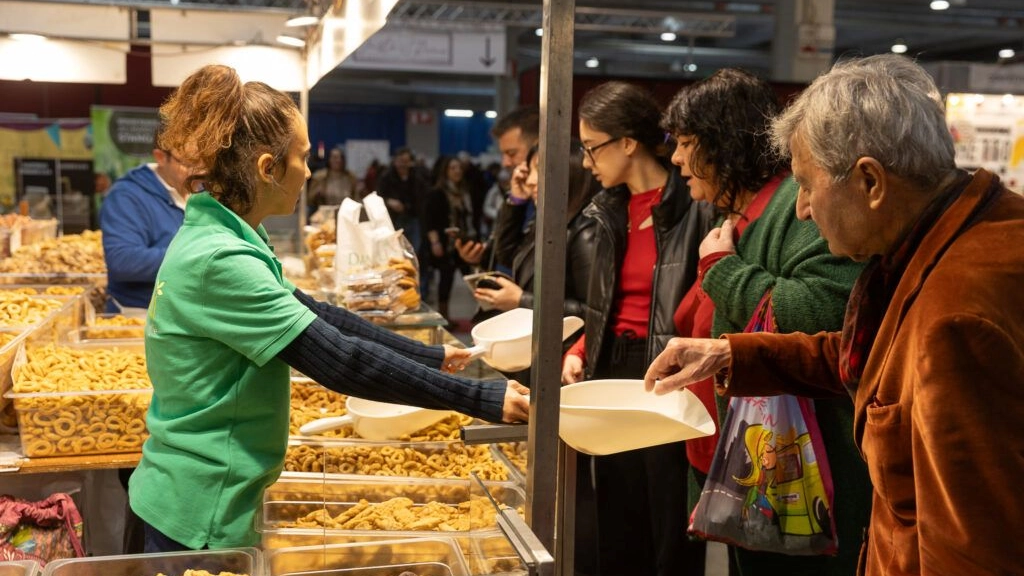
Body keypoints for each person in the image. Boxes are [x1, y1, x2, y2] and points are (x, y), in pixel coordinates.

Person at [645, 54, 1024, 576]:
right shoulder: (955, 236)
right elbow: (870, 357)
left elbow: (971, 549)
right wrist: (731, 351)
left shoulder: (955, 317)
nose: (801, 209)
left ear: (870, 182)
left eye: (806, 183)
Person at [129, 64, 530, 553]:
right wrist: (480, 399)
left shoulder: (230, 234)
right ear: (267, 169)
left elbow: (318, 314)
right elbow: (340, 361)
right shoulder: (219, 258)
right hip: (200, 505)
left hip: (202, 485)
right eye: (302, 157)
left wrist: (430, 356)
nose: (311, 170)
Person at [662, 68, 870, 575]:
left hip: (799, 476)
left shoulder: (794, 210)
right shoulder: (729, 215)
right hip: (745, 466)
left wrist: (724, 271)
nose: (675, 158)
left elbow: (819, 314)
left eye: (686, 143)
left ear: (724, 145)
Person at [560, 81, 716, 576]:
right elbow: (602, 303)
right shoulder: (604, 211)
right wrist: (580, 348)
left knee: (669, 516)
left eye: (592, 148)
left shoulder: (694, 206)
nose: (587, 162)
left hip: (669, 369)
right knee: (617, 510)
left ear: (628, 142)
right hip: (612, 364)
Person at [100, 128, 196, 313]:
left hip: (186, 314)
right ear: (160, 157)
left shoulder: (201, 191)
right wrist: (197, 257)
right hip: (139, 316)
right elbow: (123, 261)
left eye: (204, 162)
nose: (198, 171)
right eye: (188, 163)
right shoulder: (126, 196)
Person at [455, 106, 539, 273]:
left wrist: (522, 299)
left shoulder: (562, 201)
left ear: (538, 148)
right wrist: (482, 257)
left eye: (512, 153)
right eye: (504, 154)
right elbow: (508, 254)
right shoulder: (516, 195)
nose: (505, 162)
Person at [422, 155, 476, 320]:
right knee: (446, 280)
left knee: (472, 278)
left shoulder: (465, 192)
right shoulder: (437, 193)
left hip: (464, 241)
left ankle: (484, 313)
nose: (457, 171)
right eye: (453, 168)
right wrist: (435, 242)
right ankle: (444, 317)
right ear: (445, 171)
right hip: (446, 244)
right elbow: (429, 220)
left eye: (459, 168)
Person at [376, 147, 427, 252]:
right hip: (394, 219)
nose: (402, 165)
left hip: (413, 218)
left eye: (406, 161)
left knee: (413, 250)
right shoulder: (386, 177)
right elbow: (377, 197)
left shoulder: (417, 177)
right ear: (395, 161)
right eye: (400, 161)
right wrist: (389, 201)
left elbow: (423, 197)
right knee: (396, 250)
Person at [307, 146, 361, 211]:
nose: (339, 160)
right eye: (335, 158)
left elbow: (357, 199)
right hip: (325, 214)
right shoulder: (319, 177)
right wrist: (317, 194)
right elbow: (309, 200)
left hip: (347, 213)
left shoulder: (351, 177)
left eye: (341, 158)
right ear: (329, 159)